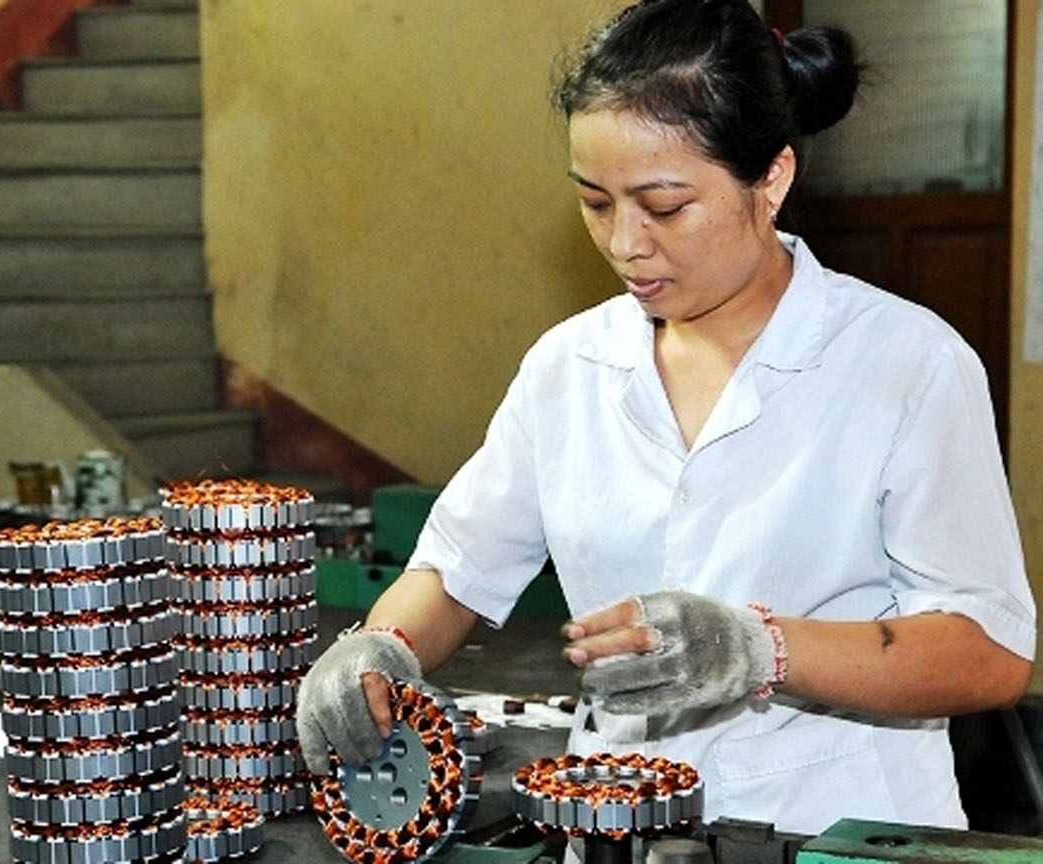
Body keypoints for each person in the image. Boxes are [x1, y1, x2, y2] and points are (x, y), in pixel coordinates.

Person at [297, 0, 1036, 835]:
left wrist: (758, 650)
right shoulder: (569, 368)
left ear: (772, 179)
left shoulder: (906, 365)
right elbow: (456, 571)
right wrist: (380, 651)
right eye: (595, 202)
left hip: (833, 830)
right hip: (614, 828)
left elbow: (990, 652)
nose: (624, 244)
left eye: (664, 205)